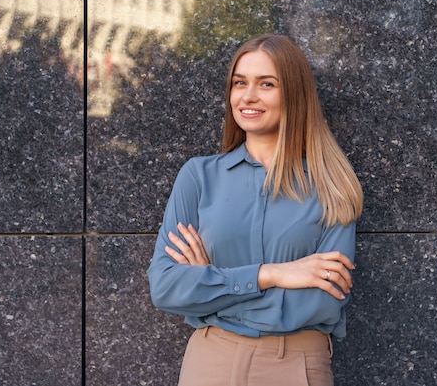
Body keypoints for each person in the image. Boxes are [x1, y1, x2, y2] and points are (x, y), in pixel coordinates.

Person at [147, 33, 363, 386]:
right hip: (210, 363)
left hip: (295, 366)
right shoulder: (198, 177)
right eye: (239, 83)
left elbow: (322, 303)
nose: (248, 96)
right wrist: (272, 274)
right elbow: (166, 287)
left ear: (293, 93)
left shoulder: (331, 185)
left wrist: (210, 289)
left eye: (266, 83)